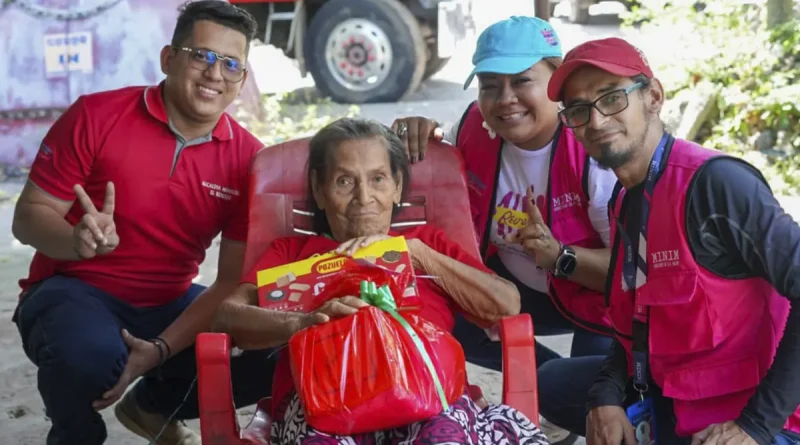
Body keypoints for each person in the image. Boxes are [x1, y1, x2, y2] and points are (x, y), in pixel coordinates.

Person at [10, 2, 277, 444]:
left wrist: (159, 351)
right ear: (168, 58)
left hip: (168, 303)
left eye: (231, 64)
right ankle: (75, 433)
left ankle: (153, 407)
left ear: (242, 80)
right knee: (89, 357)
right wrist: (75, 240)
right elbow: (27, 219)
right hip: (73, 291)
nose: (215, 74)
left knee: (271, 345)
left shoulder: (251, 160)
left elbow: (230, 281)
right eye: (202, 55)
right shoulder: (98, 115)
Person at [212, 117, 549, 444]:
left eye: (377, 179)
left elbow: (507, 306)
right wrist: (302, 323)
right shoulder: (292, 251)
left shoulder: (426, 244)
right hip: (322, 404)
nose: (363, 197)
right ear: (319, 189)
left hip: (427, 396)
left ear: (397, 187)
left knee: (443, 435)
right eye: (344, 181)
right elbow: (228, 316)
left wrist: (415, 253)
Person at [544, 36, 800, 445]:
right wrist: (605, 397)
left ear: (654, 97)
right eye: (578, 110)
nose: (595, 121)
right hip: (676, 403)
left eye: (611, 98)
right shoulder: (626, 200)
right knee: (554, 383)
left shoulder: (715, 184)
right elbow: (638, 325)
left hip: (757, 421)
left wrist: (755, 425)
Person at [391, 16, 616, 440]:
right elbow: (403, 168)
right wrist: (414, 136)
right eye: (490, 85)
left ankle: (555, 390)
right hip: (520, 291)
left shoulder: (594, 147)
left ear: (558, 82)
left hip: (598, 302)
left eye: (522, 81)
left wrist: (561, 257)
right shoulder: (474, 129)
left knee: (599, 399)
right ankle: (548, 384)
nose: (505, 99)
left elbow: (632, 273)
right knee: (436, 309)